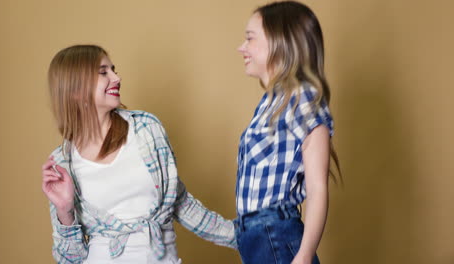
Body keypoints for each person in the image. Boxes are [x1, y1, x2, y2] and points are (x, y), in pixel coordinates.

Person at [41, 45, 236, 264]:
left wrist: (243, 237)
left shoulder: (146, 129)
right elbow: (69, 259)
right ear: (75, 90)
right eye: (103, 72)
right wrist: (65, 211)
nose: (117, 77)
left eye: (113, 69)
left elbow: (180, 203)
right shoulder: (61, 163)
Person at [234, 1, 341, 264]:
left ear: (280, 43)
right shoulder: (269, 103)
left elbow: (317, 188)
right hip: (255, 236)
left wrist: (303, 255)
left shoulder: (303, 99)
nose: (241, 47)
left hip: (275, 235)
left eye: (250, 39)